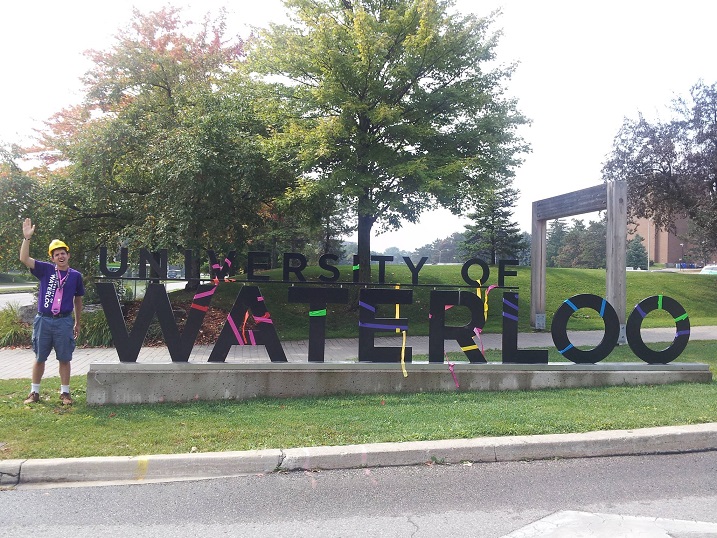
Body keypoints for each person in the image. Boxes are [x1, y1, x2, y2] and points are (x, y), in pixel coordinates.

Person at [19, 218, 84, 405]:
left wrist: (77, 322)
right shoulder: (45, 270)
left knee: (64, 358)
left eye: (63, 253)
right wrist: (27, 239)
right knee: (40, 357)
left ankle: (65, 393)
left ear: (68, 255)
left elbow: (78, 300)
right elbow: (24, 259)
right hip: (44, 320)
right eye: (56, 255)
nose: (60, 257)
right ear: (52, 258)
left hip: (64, 321)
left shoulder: (76, 276)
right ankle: (34, 392)